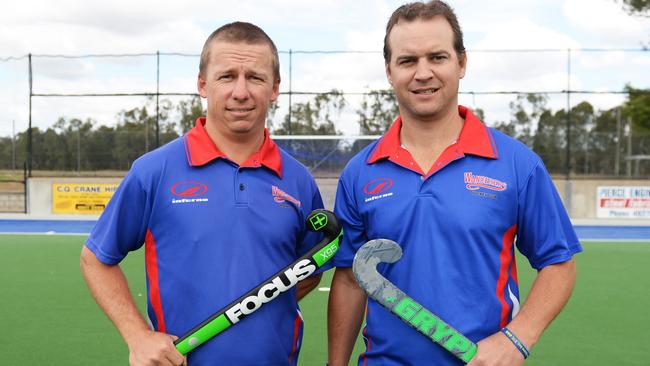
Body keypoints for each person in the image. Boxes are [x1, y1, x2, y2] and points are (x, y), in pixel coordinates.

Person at [327, 2, 582, 365]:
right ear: (389, 70)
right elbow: (352, 280)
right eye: (407, 61)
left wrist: (517, 339)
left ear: (461, 63)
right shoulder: (360, 172)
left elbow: (559, 262)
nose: (423, 72)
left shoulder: (516, 163)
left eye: (437, 57)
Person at [80, 22, 324, 366]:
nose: (241, 92)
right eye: (227, 77)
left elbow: (310, 271)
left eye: (255, 77)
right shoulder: (155, 171)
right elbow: (96, 259)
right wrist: (138, 336)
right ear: (202, 85)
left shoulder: (298, 181)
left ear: (275, 88)